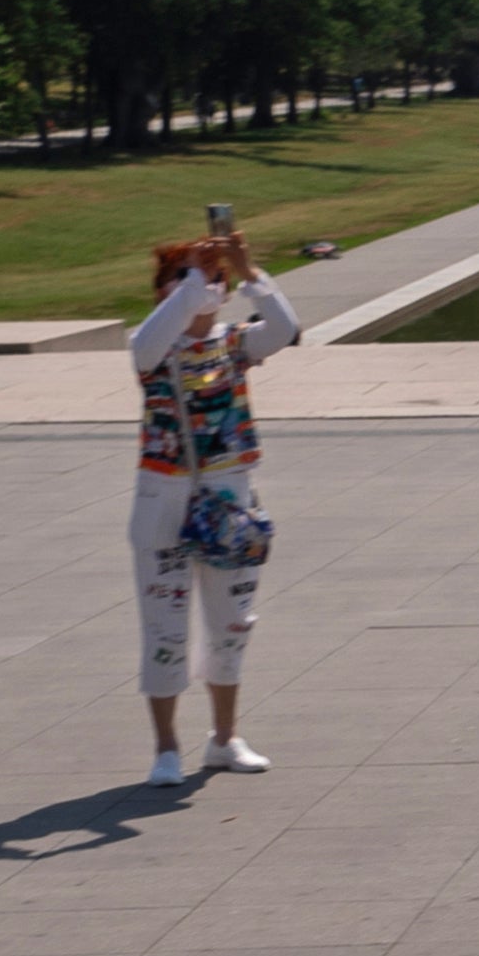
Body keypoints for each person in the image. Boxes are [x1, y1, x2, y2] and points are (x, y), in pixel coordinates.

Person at [127, 230, 298, 787]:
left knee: (231, 626)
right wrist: (194, 280)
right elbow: (145, 347)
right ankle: (166, 748)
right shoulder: (153, 345)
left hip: (228, 504)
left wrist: (249, 274)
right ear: (163, 292)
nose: (202, 285)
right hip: (165, 505)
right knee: (166, 630)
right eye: (184, 275)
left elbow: (285, 330)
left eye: (210, 278)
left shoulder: (235, 344)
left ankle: (225, 739)